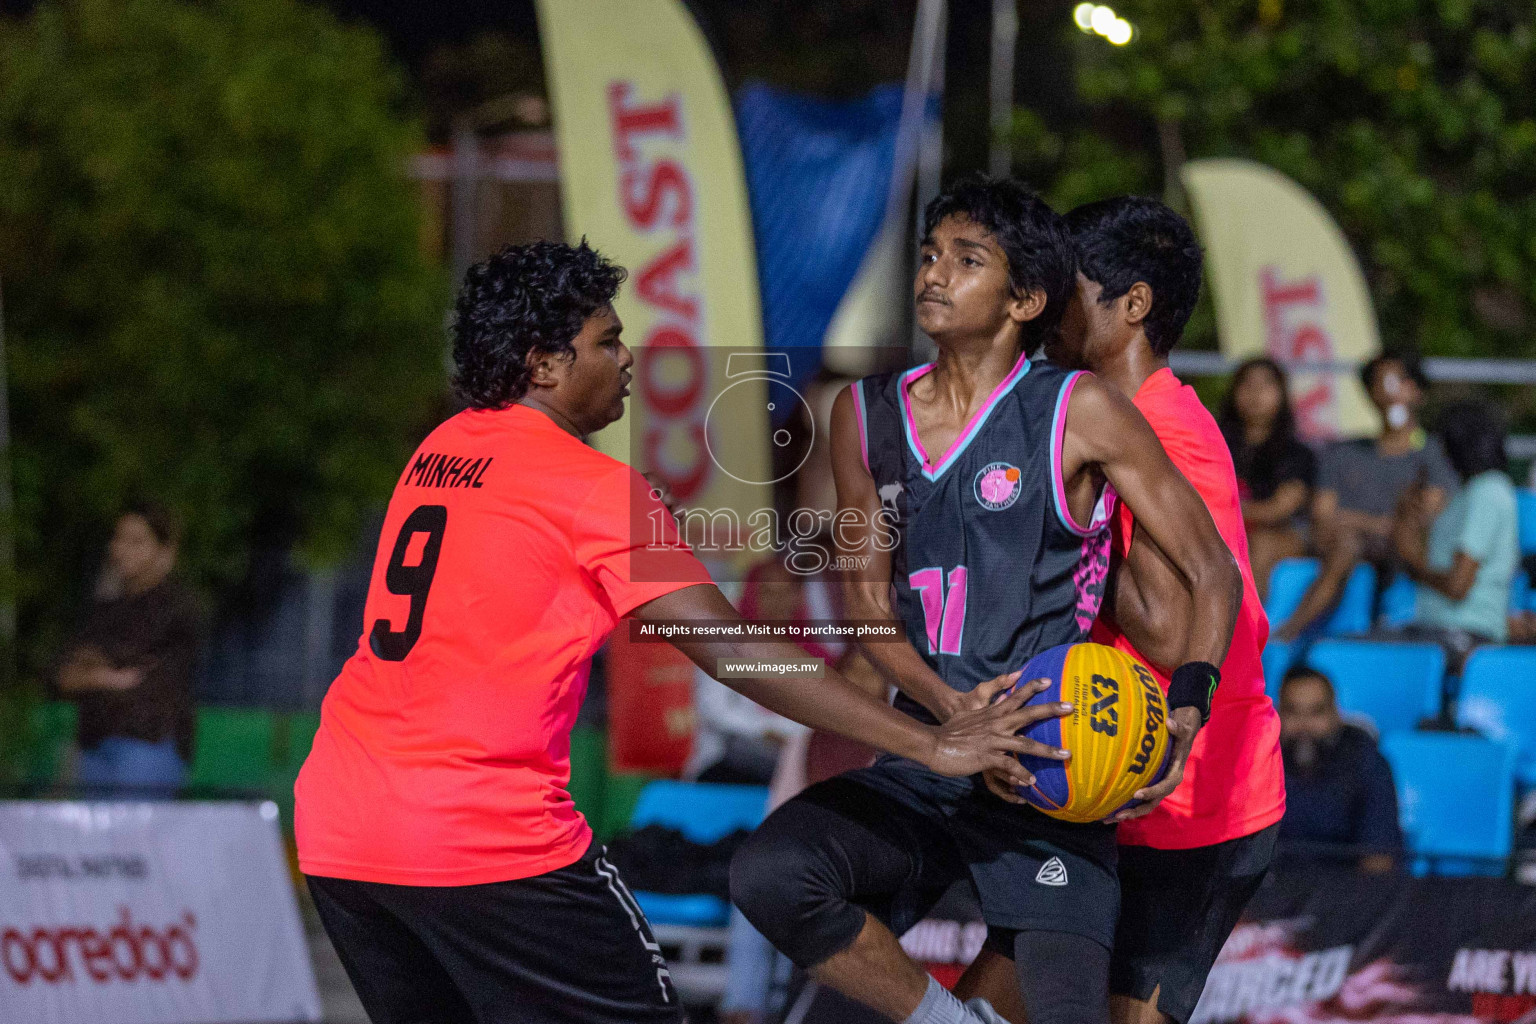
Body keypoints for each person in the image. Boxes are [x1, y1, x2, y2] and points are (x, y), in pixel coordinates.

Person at [293, 239, 1048, 1024]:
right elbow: (734, 652)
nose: (628, 358)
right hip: (480, 835)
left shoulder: (441, 449)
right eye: (607, 341)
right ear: (543, 364)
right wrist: (928, 741)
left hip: (343, 827)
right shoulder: (594, 490)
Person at [730, 178, 1243, 1024]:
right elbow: (866, 606)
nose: (933, 274)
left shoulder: (1081, 410)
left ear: (1026, 298)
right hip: (932, 749)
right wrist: (949, 713)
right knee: (771, 873)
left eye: (967, 261)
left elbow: (1211, 568)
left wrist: (1188, 704)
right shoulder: (863, 413)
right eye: (930, 255)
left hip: (1052, 769)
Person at [956, 196, 1284, 1024]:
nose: (1038, 303)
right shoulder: (1089, 417)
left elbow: (1176, 633)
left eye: (1064, 288)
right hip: (1096, 786)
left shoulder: (1171, 432)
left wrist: (1074, 511)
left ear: (1131, 305)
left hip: (1192, 810)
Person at [1276, 348, 1457, 640]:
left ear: (1417, 390)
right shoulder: (1344, 452)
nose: (1389, 392)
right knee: (1344, 545)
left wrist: (1354, 521)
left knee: (1350, 543)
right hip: (1343, 545)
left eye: (1398, 382)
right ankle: (1287, 633)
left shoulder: (1434, 456)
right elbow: (1322, 516)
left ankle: (1290, 632)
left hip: (1398, 548)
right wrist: (1382, 524)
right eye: (1381, 383)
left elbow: (1428, 517)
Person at [55, 503, 202, 795]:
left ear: (165, 551)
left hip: (147, 747)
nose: (121, 549)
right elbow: (59, 670)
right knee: (92, 840)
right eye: (118, 539)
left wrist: (90, 670)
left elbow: (128, 657)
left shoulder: (177, 605)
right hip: (94, 747)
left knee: (137, 840)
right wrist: (102, 676)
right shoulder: (106, 606)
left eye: (136, 541)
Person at [1391, 399, 1519, 672]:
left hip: (1466, 634)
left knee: (1371, 652)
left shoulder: (1490, 491)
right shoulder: (1467, 494)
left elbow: (1458, 585)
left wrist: (1414, 567)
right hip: (1439, 629)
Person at [1276, 666, 1401, 874]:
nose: (1304, 726)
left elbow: (1379, 860)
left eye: (1316, 712)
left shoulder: (1366, 762)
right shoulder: (1259, 763)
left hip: (1346, 897)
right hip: (1272, 894)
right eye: (1292, 711)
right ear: (1278, 715)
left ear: (1336, 715)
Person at [1217, 357, 1316, 597]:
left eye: (1265, 385)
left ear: (1282, 394)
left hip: (1282, 534)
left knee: (1259, 544)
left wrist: (1221, 511)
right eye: (1247, 385)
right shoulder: (1214, 443)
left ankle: (1247, 627)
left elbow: (1279, 510)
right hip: (1222, 529)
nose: (1255, 394)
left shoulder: (1296, 454)